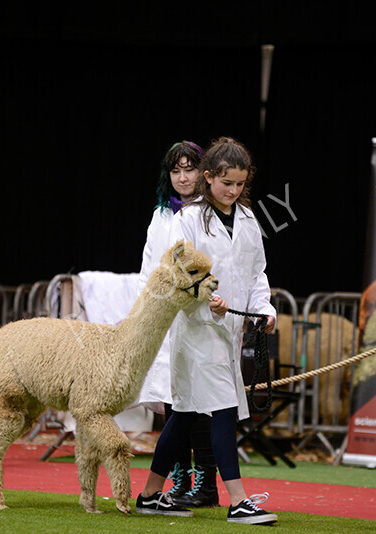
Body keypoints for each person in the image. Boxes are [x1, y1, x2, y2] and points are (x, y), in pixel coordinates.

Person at [135, 137, 278, 525]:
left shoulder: (249, 220)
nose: (232, 191)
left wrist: (263, 308)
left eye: (239, 184)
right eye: (225, 183)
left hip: (229, 332)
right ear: (209, 177)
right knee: (223, 411)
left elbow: (256, 273)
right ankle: (238, 502)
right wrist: (205, 300)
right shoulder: (188, 219)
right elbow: (178, 275)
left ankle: (149, 495)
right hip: (195, 332)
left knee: (182, 414)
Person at [134, 141, 219, 507]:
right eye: (176, 170)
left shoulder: (211, 214)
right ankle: (180, 481)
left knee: (201, 403)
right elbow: (149, 268)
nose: (183, 177)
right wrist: (143, 316)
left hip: (202, 319)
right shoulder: (161, 215)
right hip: (167, 323)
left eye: (190, 169)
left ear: (204, 172)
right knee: (174, 402)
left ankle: (206, 484)